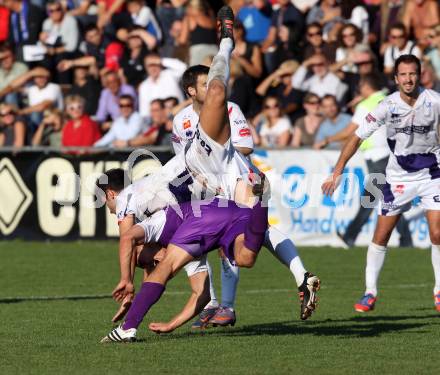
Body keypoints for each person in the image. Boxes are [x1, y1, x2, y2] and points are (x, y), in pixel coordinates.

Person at [321, 55, 440, 313]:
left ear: (419, 75)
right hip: (397, 178)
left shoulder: (435, 101)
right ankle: (370, 291)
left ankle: (439, 290)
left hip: (432, 175)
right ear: (396, 78)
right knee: (381, 235)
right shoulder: (387, 106)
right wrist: (338, 171)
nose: (409, 79)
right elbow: (356, 137)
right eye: (403, 75)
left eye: (413, 74)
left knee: (437, 233)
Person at [95, 168, 212, 330]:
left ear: (110, 194)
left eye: (104, 202)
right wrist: (138, 299)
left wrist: (126, 282)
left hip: (183, 219)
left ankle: (128, 328)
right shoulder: (145, 194)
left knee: (134, 250)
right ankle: (172, 323)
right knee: (202, 292)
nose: (108, 209)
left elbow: (127, 240)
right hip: (201, 219)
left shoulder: (125, 198)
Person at [138, 52, 186, 119]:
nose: (153, 68)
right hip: (159, 123)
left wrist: (161, 60)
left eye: (155, 64)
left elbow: (183, 68)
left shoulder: (169, 74)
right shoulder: (144, 86)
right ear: (145, 67)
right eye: (150, 65)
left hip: (180, 115)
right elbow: (144, 112)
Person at [177, 0, 218, 66]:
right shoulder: (211, 18)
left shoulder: (189, 18)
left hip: (199, 53)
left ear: (190, 7)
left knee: (197, 75)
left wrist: (176, 36)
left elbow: (182, 41)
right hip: (214, 51)